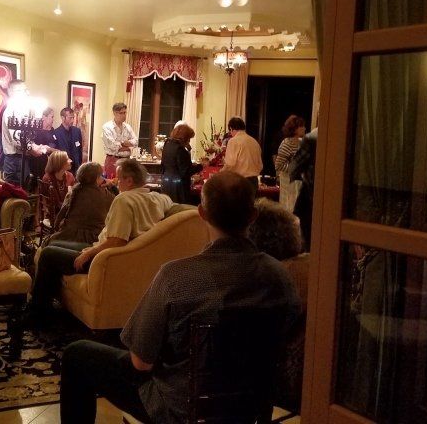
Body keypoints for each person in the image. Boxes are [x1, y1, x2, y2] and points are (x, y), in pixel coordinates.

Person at [60, 171, 302, 424]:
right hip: (251, 408)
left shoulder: (176, 276)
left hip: (180, 409)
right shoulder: (279, 277)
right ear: (252, 216)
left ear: (202, 214)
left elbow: (140, 363)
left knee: (78, 354)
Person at [27, 158, 172, 318]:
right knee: (54, 246)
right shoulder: (161, 199)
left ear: (129, 181)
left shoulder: (124, 200)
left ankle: (38, 310)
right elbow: (172, 207)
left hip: (105, 258)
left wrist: (89, 252)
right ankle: (45, 302)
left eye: (119, 178)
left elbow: (117, 241)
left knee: (48, 254)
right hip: (112, 251)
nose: (115, 182)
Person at [46, 162, 114, 246]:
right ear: (96, 178)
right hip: (93, 239)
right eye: (101, 176)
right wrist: (112, 186)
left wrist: (58, 229)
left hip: (68, 235)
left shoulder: (73, 192)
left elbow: (58, 219)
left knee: (45, 245)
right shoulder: (105, 195)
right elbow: (117, 204)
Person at [289, 127, 317, 251]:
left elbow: (294, 167)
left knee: (308, 233)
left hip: (311, 192)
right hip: (335, 197)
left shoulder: (311, 138)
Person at [160, 123, 203, 204]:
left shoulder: (167, 144)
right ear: (185, 138)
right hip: (178, 187)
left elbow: (165, 164)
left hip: (166, 182)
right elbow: (185, 172)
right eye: (189, 138)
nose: (189, 141)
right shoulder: (180, 149)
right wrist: (200, 166)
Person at [0, 79, 30, 186]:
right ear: (14, 92)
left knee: (24, 194)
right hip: (14, 160)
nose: (28, 93)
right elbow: (18, 140)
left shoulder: (20, 111)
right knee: (15, 196)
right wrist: (34, 148)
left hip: (20, 158)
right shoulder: (11, 111)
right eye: (24, 90)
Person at [222, 116, 263, 191]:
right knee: (250, 203)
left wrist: (220, 174)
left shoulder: (233, 141)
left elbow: (230, 164)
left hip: (240, 181)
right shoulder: (254, 141)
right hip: (254, 182)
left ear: (231, 128)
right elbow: (260, 165)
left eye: (230, 131)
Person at [275, 115, 306, 212]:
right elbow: (279, 165)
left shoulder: (301, 142)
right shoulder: (287, 143)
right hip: (289, 182)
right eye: (302, 126)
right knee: (289, 207)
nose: (304, 128)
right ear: (295, 129)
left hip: (298, 181)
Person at [101, 102, 138, 178]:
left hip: (126, 161)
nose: (124, 115)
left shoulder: (128, 127)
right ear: (115, 113)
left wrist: (121, 144)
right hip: (113, 160)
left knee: (126, 185)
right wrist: (127, 146)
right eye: (121, 113)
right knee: (112, 185)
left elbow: (136, 142)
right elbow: (112, 146)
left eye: (125, 113)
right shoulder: (107, 127)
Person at [41, 150, 76, 223]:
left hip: (68, 210)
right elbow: (55, 204)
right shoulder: (47, 179)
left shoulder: (70, 176)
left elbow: (75, 197)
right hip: (55, 214)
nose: (71, 161)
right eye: (67, 159)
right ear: (60, 163)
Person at [28, 107, 58, 183]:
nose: (53, 119)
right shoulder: (36, 131)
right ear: (44, 117)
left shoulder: (52, 130)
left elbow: (55, 144)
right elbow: (39, 148)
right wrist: (52, 150)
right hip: (38, 164)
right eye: (52, 117)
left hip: (51, 164)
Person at [54, 107, 84, 173]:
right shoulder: (56, 133)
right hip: (62, 168)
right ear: (63, 118)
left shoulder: (77, 131)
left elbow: (80, 149)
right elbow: (55, 153)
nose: (72, 120)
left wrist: (79, 164)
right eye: (70, 118)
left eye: (73, 117)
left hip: (76, 167)